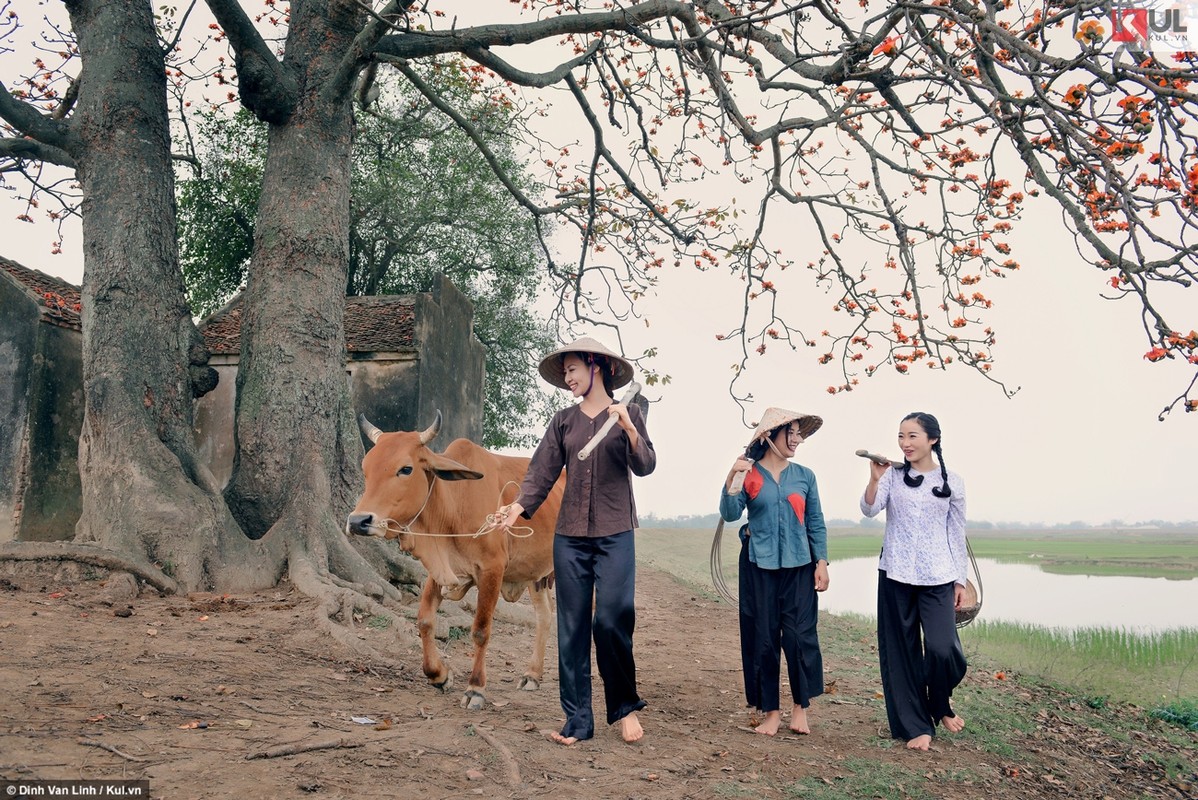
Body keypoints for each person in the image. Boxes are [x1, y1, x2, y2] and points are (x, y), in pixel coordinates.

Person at [498, 335, 656, 745]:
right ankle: (578, 722)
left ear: (594, 366)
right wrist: (517, 508)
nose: (567, 378)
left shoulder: (631, 412)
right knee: (571, 628)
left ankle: (624, 708)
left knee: (612, 618)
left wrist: (628, 428)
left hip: (615, 530)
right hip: (569, 537)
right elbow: (541, 471)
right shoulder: (563, 421)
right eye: (565, 371)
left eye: (572, 369)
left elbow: (646, 465)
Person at [860, 411, 968, 751]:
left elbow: (956, 532)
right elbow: (868, 509)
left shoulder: (954, 482)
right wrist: (876, 478)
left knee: (943, 648)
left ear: (932, 439)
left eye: (912, 436)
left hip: (939, 576)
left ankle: (939, 702)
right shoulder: (892, 475)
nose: (905, 443)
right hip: (895, 572)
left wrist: (960, 581)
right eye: (901, 436)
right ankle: (915, 727)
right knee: (900, 652)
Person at [719, 408, 829, 736]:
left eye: (799, 434)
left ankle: (800, 709)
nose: (797, 440)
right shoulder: (750, 474)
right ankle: (771, 713)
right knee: (763, 639)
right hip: (759, 567)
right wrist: (731, 479)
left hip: (799, 566)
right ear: (769, 436)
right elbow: (729, 513)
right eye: (790, 433)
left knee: (798, 638)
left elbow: (815, 521)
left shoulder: (805, 476)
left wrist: (821, 562)